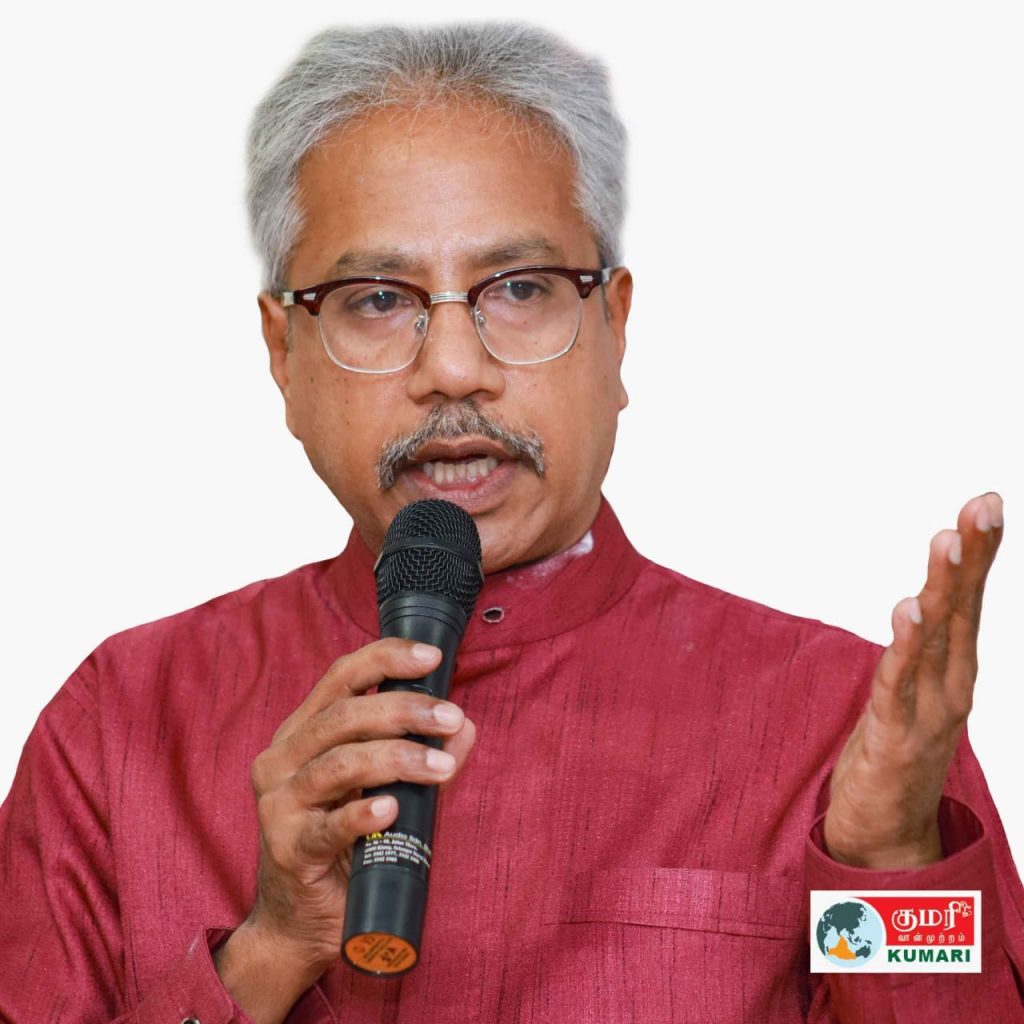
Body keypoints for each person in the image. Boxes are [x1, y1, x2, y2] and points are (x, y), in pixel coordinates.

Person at [1, 21, 1021, 1024]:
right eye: (376, 299)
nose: (453, 368)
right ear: (283, 355)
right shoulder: (122, 726)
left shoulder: (840, 725)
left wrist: (889, 864)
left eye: (521, 289)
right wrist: (266, 953)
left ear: (614, 326)